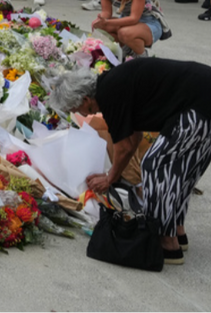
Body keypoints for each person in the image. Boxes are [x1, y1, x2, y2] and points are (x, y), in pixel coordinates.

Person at [47, 58, 211, 266]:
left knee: (156, 167)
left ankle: (167, 243)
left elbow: (124, 147)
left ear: (85, 99)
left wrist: (109, 178)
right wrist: (113, 175)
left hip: (198, 104)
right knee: (180, 169)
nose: (77, 114)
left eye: (74, 109)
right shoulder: (113, 85)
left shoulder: (110, 93)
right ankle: (177, 231)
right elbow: (133, 138)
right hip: (202, 98)